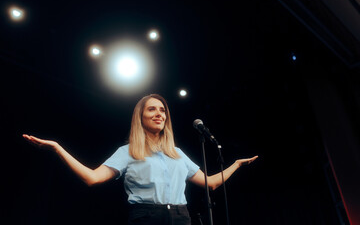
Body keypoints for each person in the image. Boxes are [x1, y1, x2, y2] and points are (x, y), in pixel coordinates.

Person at [23, 94, 258, 225]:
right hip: (147, 217)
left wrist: (236, 164)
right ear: (141, 116)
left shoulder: (176, 153)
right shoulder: (128, 152)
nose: (159, 114)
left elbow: (211, 183)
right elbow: (92, 178)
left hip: (181, 217)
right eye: (152, 110)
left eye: (163, 110)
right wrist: (57, 149)